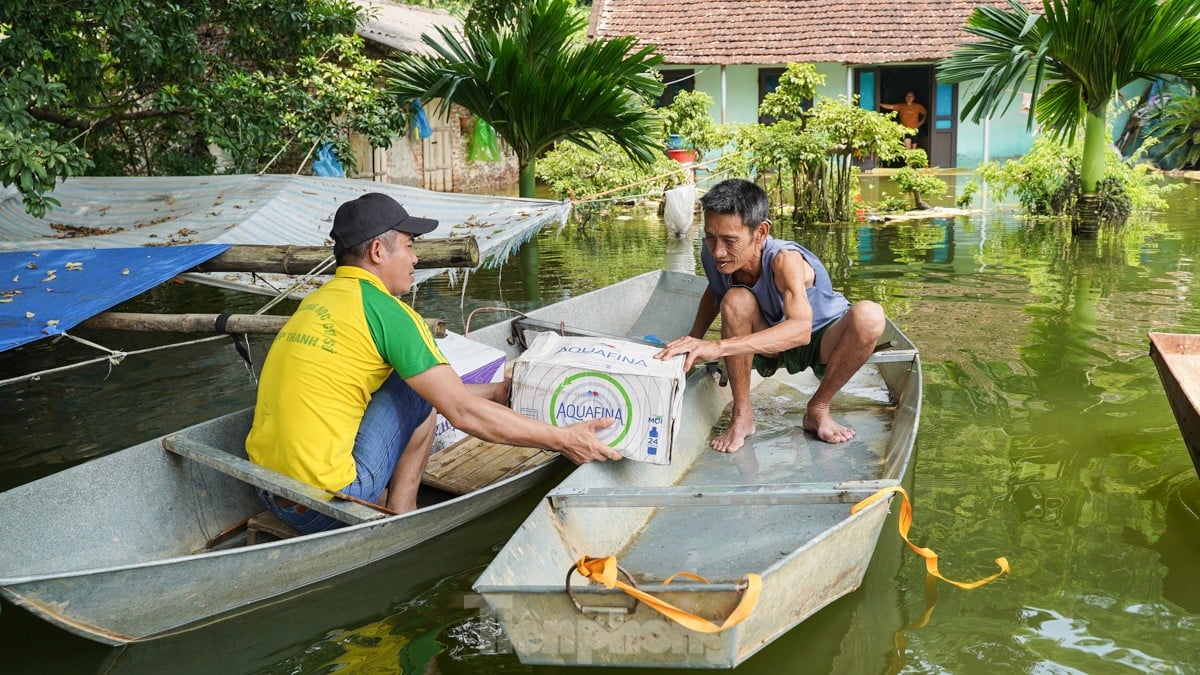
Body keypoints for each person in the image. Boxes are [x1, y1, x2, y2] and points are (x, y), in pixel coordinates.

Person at [246, 192, 621, 533]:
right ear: (378, 251)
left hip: (266, 489)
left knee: (412, 385)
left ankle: (387, 500)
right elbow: (459, 412)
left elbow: (443, 395)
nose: (415, 258)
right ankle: (403, 514)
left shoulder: (314, 302)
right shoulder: (389, 313)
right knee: (420, 395)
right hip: (328, 505)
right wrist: (564, 438)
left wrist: (494, 391)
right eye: (409, 247)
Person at [654, 179, 885, 452]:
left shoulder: (785, 260)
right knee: (735, 299)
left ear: (761, 232)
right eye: (710, 237)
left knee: (870, 315)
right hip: (768, 341)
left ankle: (819, 407)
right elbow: (715, 292)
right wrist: (693, 339)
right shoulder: (713, 253)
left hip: (819, 338)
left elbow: (799, 331)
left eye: (730, 240)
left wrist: (716, 347)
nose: (718, 251)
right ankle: (742, 416)